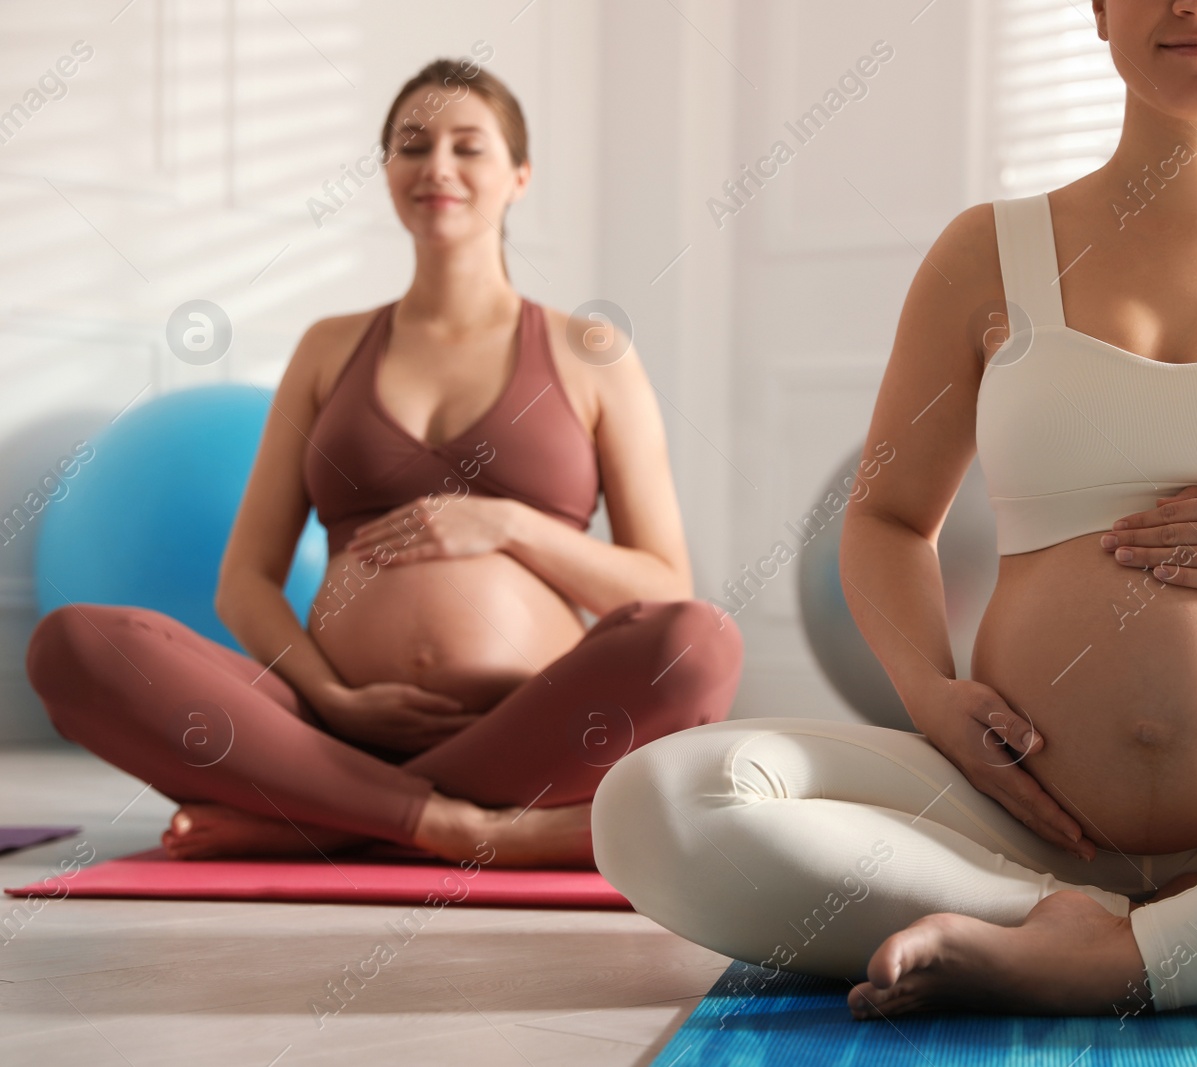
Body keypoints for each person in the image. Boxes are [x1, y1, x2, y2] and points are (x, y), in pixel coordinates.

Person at [591, 0, 1197, 1019]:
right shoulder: (983, 252)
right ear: (1101, 13)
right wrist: (928, 693)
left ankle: (1123, 954)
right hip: (1016, 821)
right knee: (653, 803)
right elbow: (885, 516)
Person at [26, 58, 743, 868]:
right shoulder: (329, 347)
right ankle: (465, 827)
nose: (437, 165)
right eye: (412, 144)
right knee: (73, 646)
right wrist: (335, 698)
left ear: (519, 176)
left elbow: (661, 585)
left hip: (532, 726)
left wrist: (507, 526)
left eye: (468, 146)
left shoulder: (590, 350)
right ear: (388, 171)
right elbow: (246, 582)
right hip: (326, 724)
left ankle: (334, 818)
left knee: (700, 641)